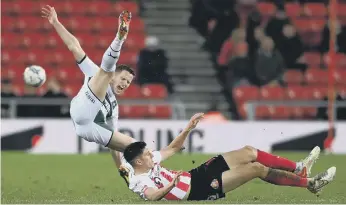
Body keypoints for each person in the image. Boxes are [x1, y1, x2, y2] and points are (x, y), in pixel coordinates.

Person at [115, 113, 336, 201]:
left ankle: (298, 168)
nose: (151, 154)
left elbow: (172, 149)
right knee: (255, 168)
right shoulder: (138, 180)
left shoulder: (151, 159)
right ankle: (310, 184)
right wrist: (170, 186)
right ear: (138, 162)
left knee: (249, 151)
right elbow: (153, 197)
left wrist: (188, 129)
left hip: (195, 175)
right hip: (198, 189)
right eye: (146, 154)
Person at [41, 6, 136, 151]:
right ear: (115, 76)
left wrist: (120, 167)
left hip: (86, 127)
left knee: (135, 146)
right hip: (79, 109)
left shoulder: (114, 107)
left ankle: (156, 170)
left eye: (128, 82)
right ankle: (119, 39)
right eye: (123, 79)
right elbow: (74, 46)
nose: (125, 83)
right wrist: (55, 22)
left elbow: (113, 139)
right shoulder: (95, 71)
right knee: (104, 72)